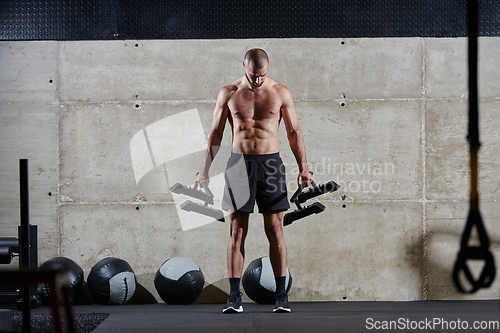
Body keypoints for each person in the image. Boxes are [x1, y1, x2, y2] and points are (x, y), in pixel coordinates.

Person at [195, 48, 313, 313]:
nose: (257, 80)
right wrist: (203, 171)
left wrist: (304, 168)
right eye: (252, 75)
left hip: (271, 164)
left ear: (267, 67)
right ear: (244, 66)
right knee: (237, 231)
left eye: (261, 75)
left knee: (275, 230)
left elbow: (294, 132)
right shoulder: (229, 93)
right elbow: (215, 134)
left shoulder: (280, 92)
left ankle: (281, 296)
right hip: (239, 165)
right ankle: (234, 297)